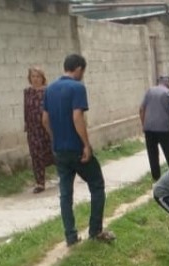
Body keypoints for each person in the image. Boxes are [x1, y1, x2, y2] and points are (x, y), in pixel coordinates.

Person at [42, 54, 115, 246]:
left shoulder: (49, 89)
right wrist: (86, 144)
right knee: (97, 184)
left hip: (60, 151)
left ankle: (70, 236)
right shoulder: (77, 88)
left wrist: (54, 139)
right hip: (76, 149)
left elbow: (44, 119)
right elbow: (77, 117)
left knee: (65, 194)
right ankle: (95, 230)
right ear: (79, 69)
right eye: (83, 71)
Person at [23, 66, 54, 193]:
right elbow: (26, 108)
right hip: (33, 128)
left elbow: (52, 108)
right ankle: (40, 183)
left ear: (42, 78)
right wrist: (26, 122)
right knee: (35, 154)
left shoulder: (48, 91)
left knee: (52, 151)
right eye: (33, 76)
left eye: (38, 76)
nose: (35, 79)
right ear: (30, 78)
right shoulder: (27, 92)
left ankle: (67, 173)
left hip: (45, 126)